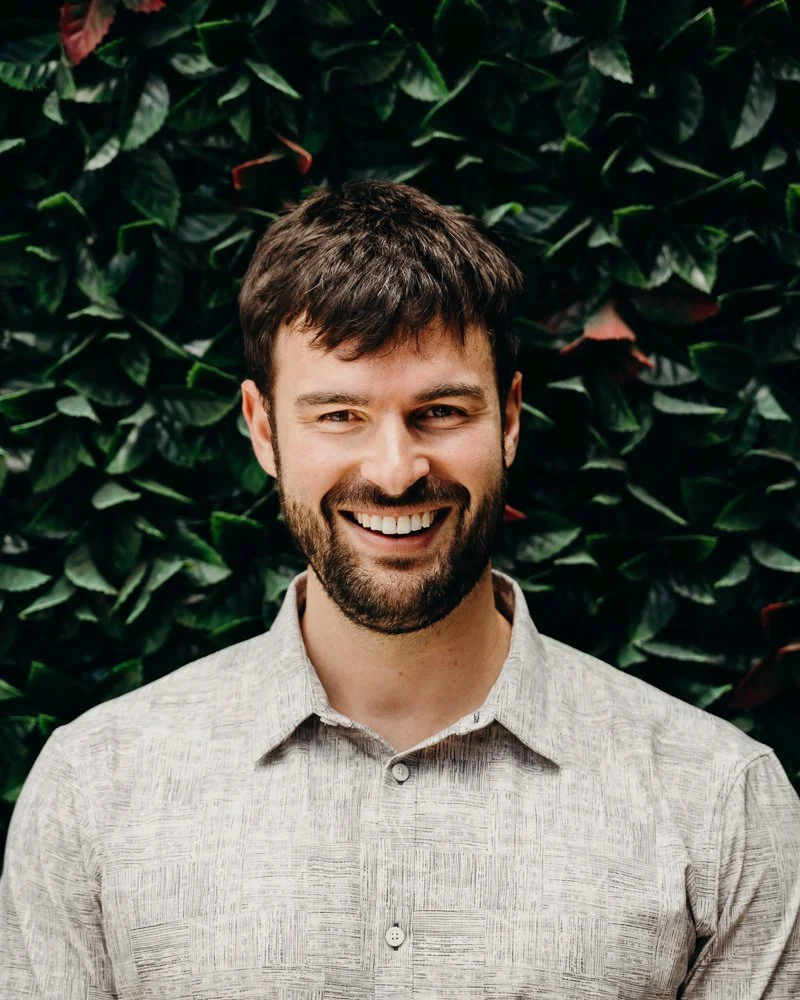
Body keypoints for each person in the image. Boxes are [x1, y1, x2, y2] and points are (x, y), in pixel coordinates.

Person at [1, 179, 798, 999]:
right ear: (263, 429)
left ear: (510, 420)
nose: (395, 471)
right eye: (339, 415)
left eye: (441, 411)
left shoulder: (716, 800)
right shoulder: (93, 789)